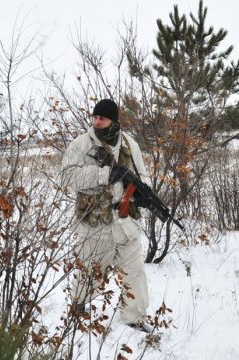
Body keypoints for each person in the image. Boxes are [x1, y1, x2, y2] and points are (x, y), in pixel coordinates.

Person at [61, 98, 154, 332]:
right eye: (95, 117)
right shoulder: (82, 144)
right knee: (91, 272)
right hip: (96, 224)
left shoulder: (129, 145)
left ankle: (134, 317)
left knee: (135, 272)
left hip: (126, 223)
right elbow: (67, 177)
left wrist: (141, 193)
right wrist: (103, 175)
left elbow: (142, 175)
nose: (97, 121)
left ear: (113, 120)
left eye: (102, 117)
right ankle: (78, 309)